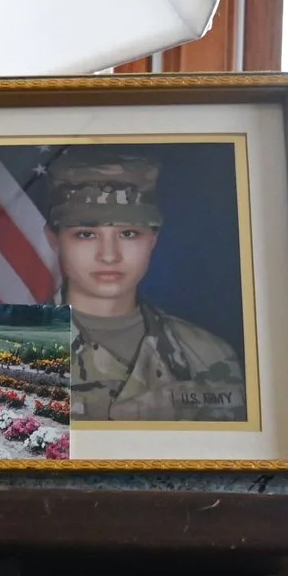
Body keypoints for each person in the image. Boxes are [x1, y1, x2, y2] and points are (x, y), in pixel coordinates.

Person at [44, 151, 248, 424]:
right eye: (86, 234)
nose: (109, 255)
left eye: (128, 234)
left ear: (153, 239)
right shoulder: (7, 351)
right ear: (54, 239)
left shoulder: (209, 356)